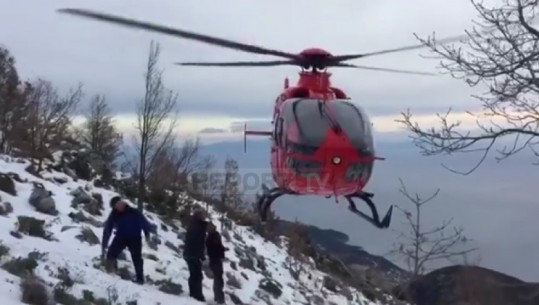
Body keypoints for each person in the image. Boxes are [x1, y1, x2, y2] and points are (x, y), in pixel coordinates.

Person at [102, 196, 153, 285]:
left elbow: (144, 223)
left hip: (135, 238)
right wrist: (104, 244)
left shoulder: (134, 212)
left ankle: (140, 279)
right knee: (111, 253)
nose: (119, 206)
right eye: (116, 205)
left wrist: (147, 234)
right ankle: (110, 272)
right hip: (121, 236)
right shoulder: (114, 214)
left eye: (120, 203)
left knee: (136, 258)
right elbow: (108, 229)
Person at [183, 208, 209, 302]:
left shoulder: (194, 224)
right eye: (202, 215)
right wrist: (200, 255)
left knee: (194, 275)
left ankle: (194, 293)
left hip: (190, 254)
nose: (204, 217)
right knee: (197, 275)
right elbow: (198, 242)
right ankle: (197, 296)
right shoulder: (198, 226)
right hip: (194, 254)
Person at [206, 223, 228, 304]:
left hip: (214, 260)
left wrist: (223, 249)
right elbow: (215, 249)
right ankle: (220, 299)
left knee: (217, 279)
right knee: (219, 280)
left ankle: (217, 297)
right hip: (215, 260)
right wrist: (221, 252)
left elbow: (219, 246)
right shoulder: (212, 237)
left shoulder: (212, 236)